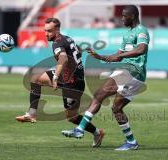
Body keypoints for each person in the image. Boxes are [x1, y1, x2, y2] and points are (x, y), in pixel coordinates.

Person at [62, 5, 150, 151]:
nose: (121, 19)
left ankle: (80, 129)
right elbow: (118, 56)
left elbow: (142, 49)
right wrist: (101, 57)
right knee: (117, 108)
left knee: (99, 94)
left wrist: (120, 56)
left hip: (133, 70)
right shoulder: (127, 35)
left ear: (132, 16)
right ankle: (131, 142)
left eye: (124, 16)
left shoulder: (142, 31)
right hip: (130, 73)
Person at [15, 17, 104, 147]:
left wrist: (56, 76)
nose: (46, 34)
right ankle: (32, 114)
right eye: (45, 30)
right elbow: (77, 50)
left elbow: (63, 59)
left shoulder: (57, 43)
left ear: (57, 30)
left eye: (49, 31)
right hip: (67, 76)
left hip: (73, 83)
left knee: (72, 117)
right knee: (35, 79)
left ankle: (97, 133)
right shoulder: (67, 38)